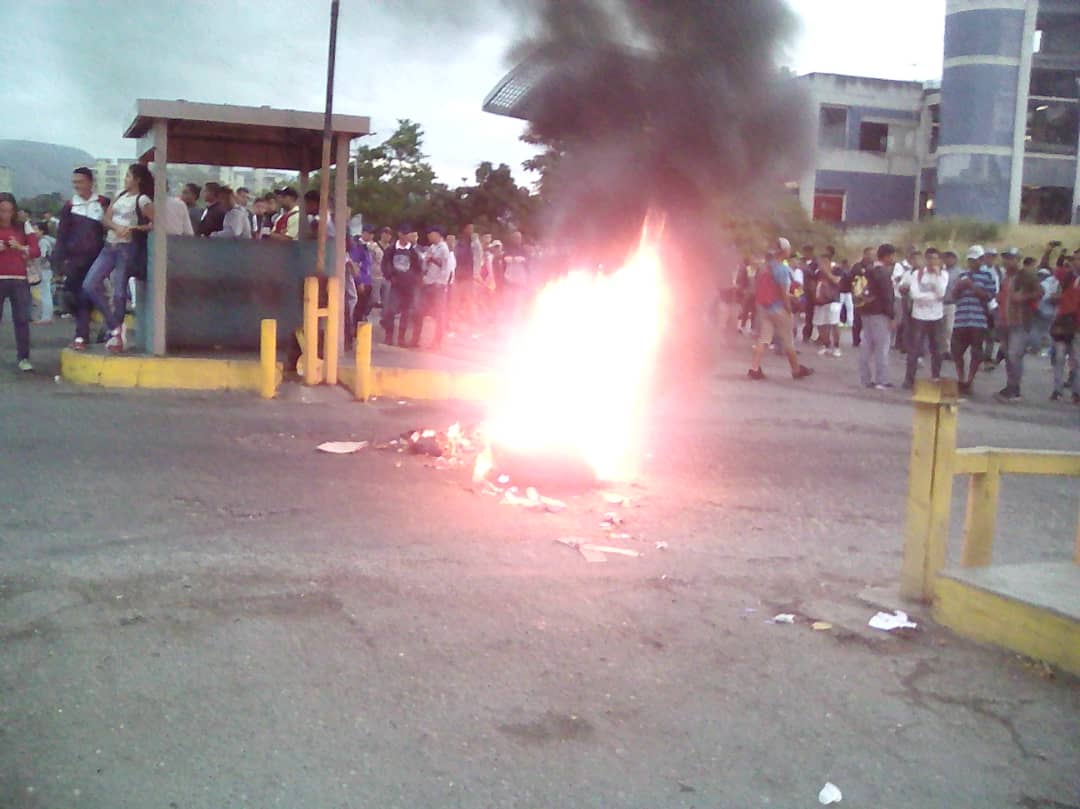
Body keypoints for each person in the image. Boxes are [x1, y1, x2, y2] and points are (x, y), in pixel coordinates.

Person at [82, 164, 154, 353]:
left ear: (137, 179)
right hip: (110, 245)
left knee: (119, 291)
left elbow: (153, 224)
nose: (125, 179)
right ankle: (115, 325)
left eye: (129, 176)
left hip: (127, 247)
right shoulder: (120, 195)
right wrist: (115, 227)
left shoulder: (143, 199)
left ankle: (117, 334)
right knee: (89, 284)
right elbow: (105, 219)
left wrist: (133, 228)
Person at [55, 167, 108, 350]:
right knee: (79, 297)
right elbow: (62, 236)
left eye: (80, 182)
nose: (77, 185)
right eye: (74, 182)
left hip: (100, 259)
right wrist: (59, 264)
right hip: (76, 261)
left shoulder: (102, 203)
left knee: (97, 295)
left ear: (90, 182)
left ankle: (108, 330)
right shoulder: (70, 207)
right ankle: (81, 334)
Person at [747, 237, 813, 381]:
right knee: (788, 340)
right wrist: (789, 309)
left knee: (763, 339)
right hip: (779, 309)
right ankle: (796, 369)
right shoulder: (782, 269)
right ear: (784, 251)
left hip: (765, 308)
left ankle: (754, 368)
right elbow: (783, 293)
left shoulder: (765, 268)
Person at [994, 247, 1042, 402]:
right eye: (1006, 258)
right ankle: (1011, 386)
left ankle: (1015, 389)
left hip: (1019, 321)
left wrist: (1023, 297)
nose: (1008, 261)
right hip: (1005, 321)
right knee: (1009, 355)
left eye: (1011, 258)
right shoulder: (1005, 276)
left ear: (1017, 259)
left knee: (1015, 355)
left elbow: (1040, 292)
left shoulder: (1025, 275)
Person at [0, 192, 41, 371]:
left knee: (22, 319)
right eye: (2, 211)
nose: (6, 215)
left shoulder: (24, 226)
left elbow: (36, 250)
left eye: (9, 211)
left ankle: (23, 357)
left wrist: (19, 247)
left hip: (19, 279)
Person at [950, 245, 998, 396]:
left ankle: (969, 380)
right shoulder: (962, 274)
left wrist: (972, 286)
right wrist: (959, 287)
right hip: (961, 318)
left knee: (976, 351)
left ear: (981, 260)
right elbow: (953, 296)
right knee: (956, 351)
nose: (972, 263)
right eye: (970, 260)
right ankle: (961, 378)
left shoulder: (988, 276)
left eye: (975, 260)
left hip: (978, 319)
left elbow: (989, 296)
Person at [902, 248, 947, 389]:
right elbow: (914, 294)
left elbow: (941, 293)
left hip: (936, 316)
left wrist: (938, 276)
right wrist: (931, 297)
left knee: (937, 349)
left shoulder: (943, 274)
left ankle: (936, 376)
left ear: (939, 260)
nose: (932, 261)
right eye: (929, 258)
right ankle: (909, 379)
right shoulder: (917, 274)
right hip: (919, 315)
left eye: (935, 258)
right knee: (914, 349)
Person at [856, 244, 897, 390]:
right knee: (882, 347)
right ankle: (881, 379)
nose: (894, 259)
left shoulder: (868, 270)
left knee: (866, 346)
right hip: (880, 313)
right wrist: (892, 316)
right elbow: (887, 296)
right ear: (887, 256)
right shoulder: (883, 273)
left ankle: (865, 379)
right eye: (892, 255)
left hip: (866, 311)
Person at [380, 224, 422, 346]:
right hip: (395, 285)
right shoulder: (391, 249)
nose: (407, 237)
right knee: (390, 311)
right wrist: (390, 276)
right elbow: (385, 264)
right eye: (405, 234)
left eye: (408, 234)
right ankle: (389, 336)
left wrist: (414, 280)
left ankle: (401, 338)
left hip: (408, 286)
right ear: (400, 235)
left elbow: (418, 268)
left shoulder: (413, 252)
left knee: (406, 313)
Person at [411, 225, 452, 350]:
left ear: (438, 234)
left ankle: (436, 342)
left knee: (439, 314)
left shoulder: (444, 249)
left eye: (431, 234)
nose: (429, 236)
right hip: (427, 283)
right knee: (419, 312)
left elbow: (446, 268)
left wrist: (441, 283)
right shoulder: (432, 247)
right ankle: (415, 339)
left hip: (438, 285)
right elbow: (425, 263)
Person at [1047, 254, 1079, 403]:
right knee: (1062, 358)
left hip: (1072, 324)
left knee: (1074, 360)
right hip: (1066, 322)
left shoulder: (1069, 278)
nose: (1075, 262)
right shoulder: (1068, 277)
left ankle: (1073, 392)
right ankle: (1061, 390)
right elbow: (1052, 269)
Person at [812, 252, 842, 357]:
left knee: (834, 323)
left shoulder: (837, 269)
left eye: (824, 261)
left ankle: (837, 347)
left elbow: (837, 281)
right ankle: (826, 345)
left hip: (833, 301)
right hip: (820, 301)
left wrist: (827, 272)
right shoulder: (817, 271)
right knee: (820, 324)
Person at [30, 222, 56, 323]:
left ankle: (46, 317)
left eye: (36, 229)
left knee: (45, 293)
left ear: (42, 231)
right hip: (46, 269)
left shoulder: (43, 242)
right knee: (45, 293)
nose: (33, 231)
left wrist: (34, 263)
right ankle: (46, 316)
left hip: (44, 269)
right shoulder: (47, 240)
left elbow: (42, 256)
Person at [800, 244, 818, 343]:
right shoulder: (802, 262)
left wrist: (806, 269)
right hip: (804, 290)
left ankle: (816, 334)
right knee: (808, 314)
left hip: (813, 291)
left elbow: (815, 275)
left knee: (814, 313)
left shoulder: (816, 263)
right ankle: (806, 334)